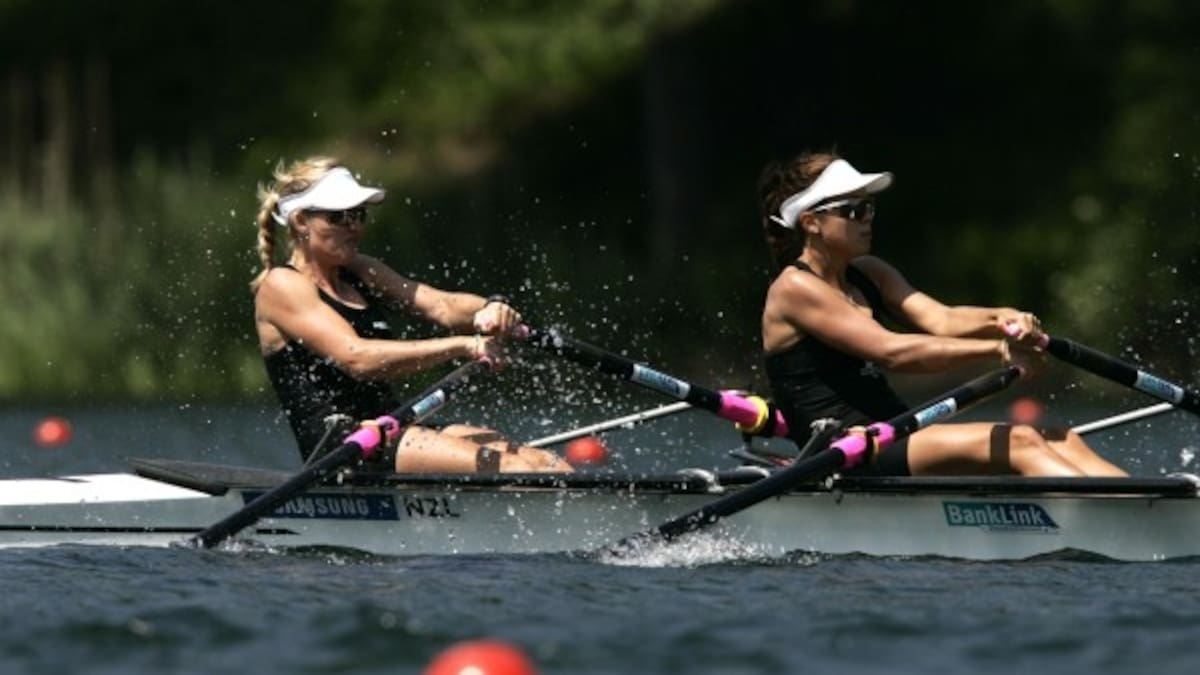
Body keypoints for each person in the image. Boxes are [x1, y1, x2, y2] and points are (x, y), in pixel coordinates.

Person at [756, 150, 1127, 477]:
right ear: (811, 222)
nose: (866, 219)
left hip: (894, 431)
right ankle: (1115, 525)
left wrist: (1004, 318)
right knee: (1022, 440)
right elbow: (893, 352)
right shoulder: (795, 289)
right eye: (852, 211)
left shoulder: (870, 273)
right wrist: (997, 351)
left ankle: (1149, 511)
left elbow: (943, 319)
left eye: (868, 208)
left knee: (1063, 437)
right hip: (845, 451)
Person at [251, 156, 571, 473]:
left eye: (358, 215)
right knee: (515, 468)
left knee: (545, 463)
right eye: (339, 217)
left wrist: (490, 309)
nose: (354, 227)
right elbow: (356, 359)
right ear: (300, 221)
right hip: (344, 445)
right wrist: (464, 346)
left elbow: (440, 306)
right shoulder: (281, 285)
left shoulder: (362, 270)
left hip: (392, 427)